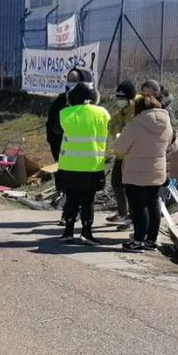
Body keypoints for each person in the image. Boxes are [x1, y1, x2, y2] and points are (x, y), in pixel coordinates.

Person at [114, 95, 178, 251]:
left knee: (138, 206)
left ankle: (137, 241)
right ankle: (151, 240)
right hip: (157, 170)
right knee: (153, 203)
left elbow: (120, 148)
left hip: (135, 171)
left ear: (139, 108)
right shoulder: (167, 123)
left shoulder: (135, 125)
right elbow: (172, 144)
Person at [56, 72, 111, 246]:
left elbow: (57, 129)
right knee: (88, 200)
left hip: (69, 165)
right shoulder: (102, 112)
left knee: (71, 198)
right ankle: (87, 233)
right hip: (92, 165)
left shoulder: (65, 113)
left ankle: (68, 232)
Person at [106, 81, 140, 228]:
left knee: (131, 187)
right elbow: (111, 125)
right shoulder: (123, 110)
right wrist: (119, 129)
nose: (119, 100)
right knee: (116, 182)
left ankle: (132, 218)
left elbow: (129, 130)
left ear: (130, 98)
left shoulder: (136, 109)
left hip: (132, 155)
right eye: (118, 97)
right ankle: (121, 212)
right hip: (121, 153)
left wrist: (120, 129)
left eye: (122, 97)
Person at [45, 68, 86, 163]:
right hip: (61, 149)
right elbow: (50, 124)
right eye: (70, 80)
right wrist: (52, 143)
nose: (72, 83)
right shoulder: (61, 100)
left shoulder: (86, 103)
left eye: (75, 80)